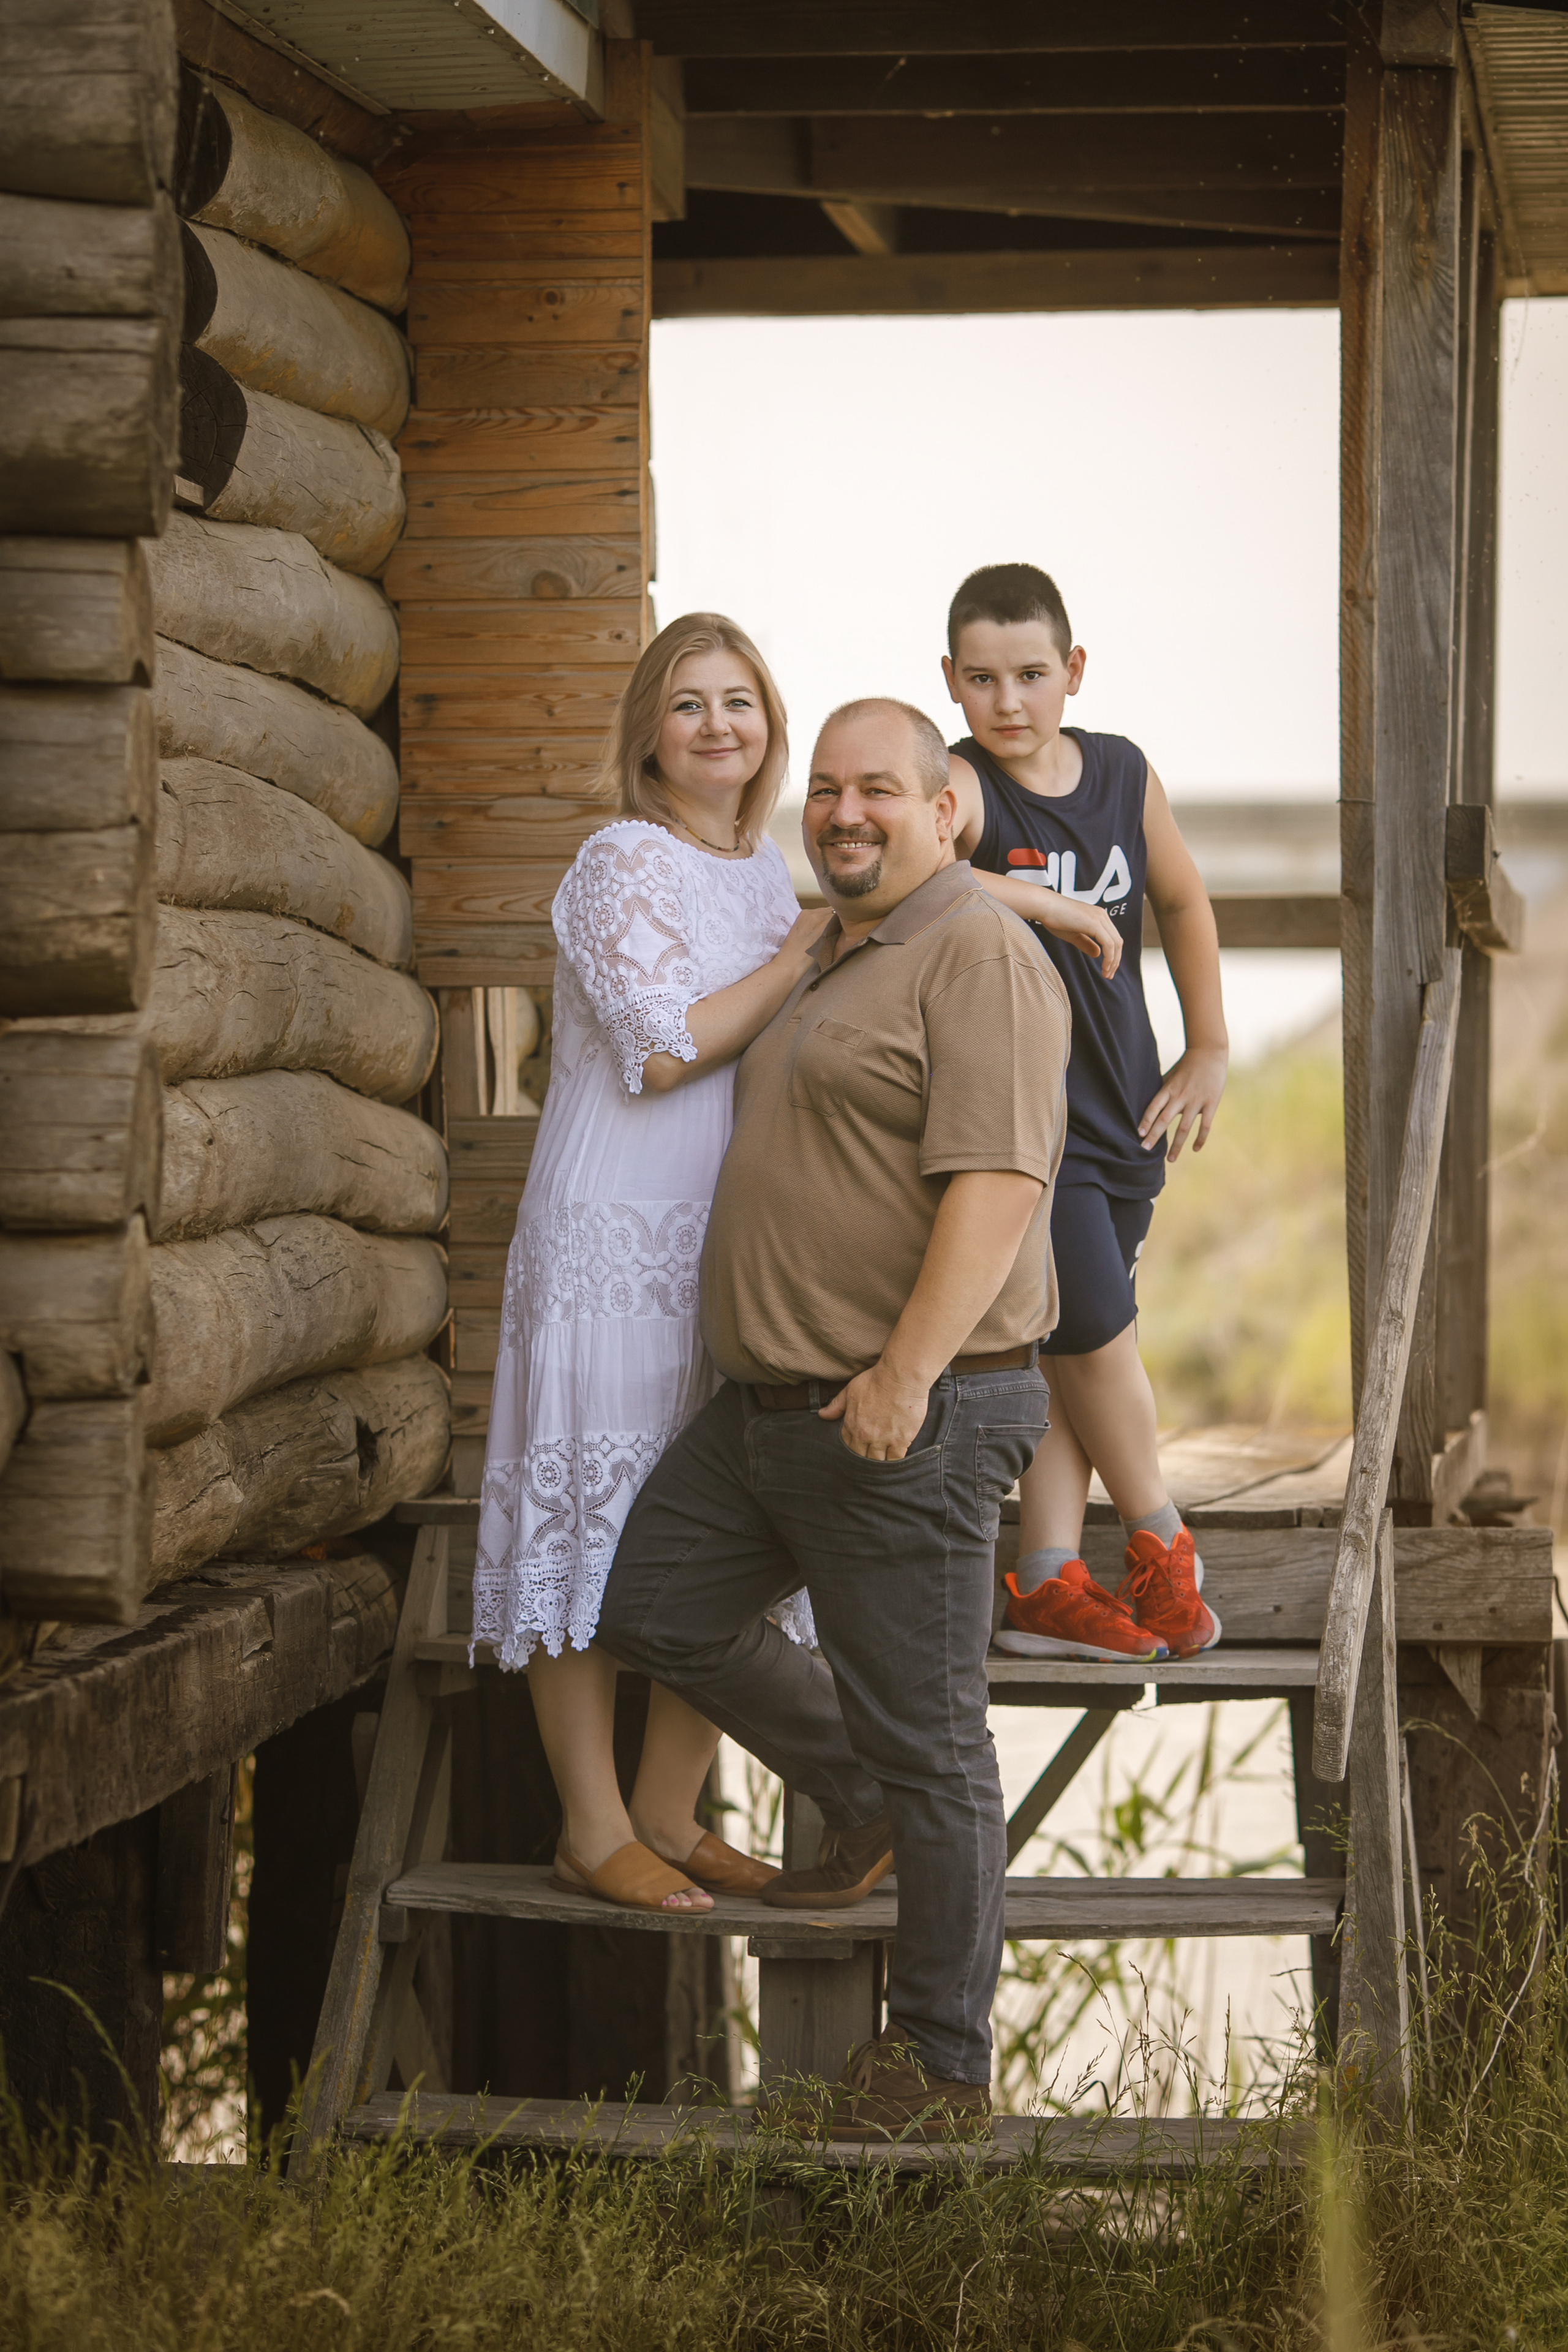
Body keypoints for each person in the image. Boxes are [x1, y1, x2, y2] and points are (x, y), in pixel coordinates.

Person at [598, 696, 1071, 2137]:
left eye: (878, 789)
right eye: (825, 790)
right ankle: (856, 1795)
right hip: (766, 1411)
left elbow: (998, 1184)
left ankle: (939, 2069)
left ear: (948, 813)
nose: (844, 811)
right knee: (655, 1607)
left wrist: (905, 1376)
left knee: (937, 1745)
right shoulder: (843, 949)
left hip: (901, 1415)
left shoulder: (977, 949)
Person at [474, 612, 829, 1915]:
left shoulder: (762, 878)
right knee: (592, 1517)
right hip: (606, 1236)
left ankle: (673, 1815)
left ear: (768, 726)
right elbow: (663, 1051)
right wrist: (800, 954)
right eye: (689, 704)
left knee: (715, 1529)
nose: (718, 724)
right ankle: (590, 1823)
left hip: (714, 1248)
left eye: (740, 701)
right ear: (648, 735)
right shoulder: (618, 858)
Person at [942, 562, 1229, 1663]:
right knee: (1100, 1338)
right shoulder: (961, 782)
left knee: (1069, 1353)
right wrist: (1050, 904)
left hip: (1126, 1113)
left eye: (1028, 674)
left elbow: (1185, 897)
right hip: (1027, 1125)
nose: (1007, 701)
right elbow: (924, 868)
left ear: (1072, 669)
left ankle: (1053, 1575)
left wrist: (1208, 1044)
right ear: (951, 684)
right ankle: (1161, 1539)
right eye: (981, 678)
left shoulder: (1120, 771)